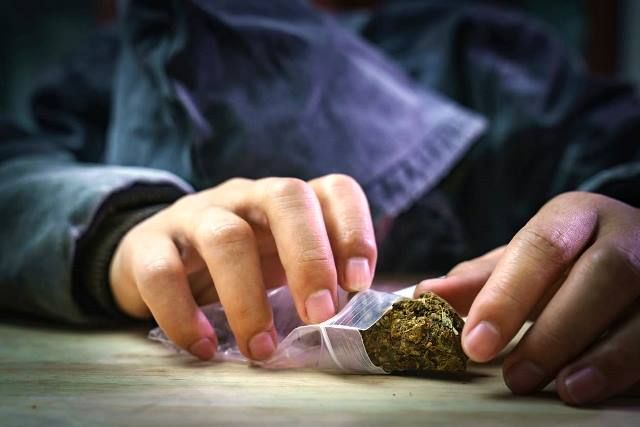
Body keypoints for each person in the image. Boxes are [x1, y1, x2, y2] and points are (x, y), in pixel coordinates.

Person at [1, 0, 639, 407]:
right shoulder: (121, 57)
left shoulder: (494, 59)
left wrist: (624, 216)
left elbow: (620, 152)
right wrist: (120, 231)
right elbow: (15, 168)